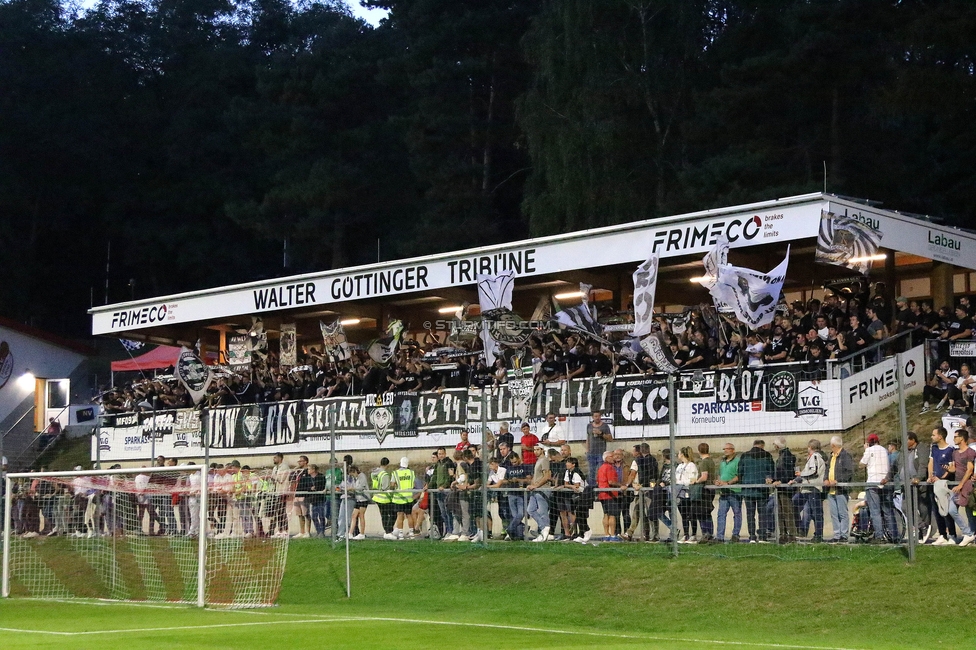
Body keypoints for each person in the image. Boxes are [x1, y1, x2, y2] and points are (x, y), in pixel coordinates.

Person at [738, 440, 775, 542]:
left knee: (750, 515)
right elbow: (771, 470)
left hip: (747, 489)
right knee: (762, 514)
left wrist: (743, 483)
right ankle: (762, 536)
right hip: (762, 490)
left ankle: (752, 537)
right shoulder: (767, 455)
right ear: (762, 446)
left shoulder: (744, 456)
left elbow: (740, 471)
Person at [927, 427, 958, 545]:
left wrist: (942, 477)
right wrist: (931, 476)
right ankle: (942, 534)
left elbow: (951, 468)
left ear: (940, 436)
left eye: (933, 435)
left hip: (944, 484)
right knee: (936, 509)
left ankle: (952, 534)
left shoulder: (950, 450)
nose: (931, 437)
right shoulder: (934, 448)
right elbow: (931, 462)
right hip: (934, 483)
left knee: (946, 509)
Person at [792, 439, 826, 543]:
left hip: (813, 489)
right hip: (807, 490)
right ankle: (803, 530)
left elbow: (813, 471)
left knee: (817, 513)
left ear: (810, 447)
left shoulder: (815, 457)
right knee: (806, 509)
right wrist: (795, 480)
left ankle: (818, 535)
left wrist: (801, 474)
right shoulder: (812, 457)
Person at [859, 433, 890, 544]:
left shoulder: (869, 450)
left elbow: (861, 464)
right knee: (886, 510)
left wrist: (866, 450)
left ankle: (879, 535)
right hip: (884, 481)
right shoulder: (885, 450)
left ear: (869, 443)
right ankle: (892, 534)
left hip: (872, 481)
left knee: (875, 511)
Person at [947, 429, 976, 546]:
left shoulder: (970, 452)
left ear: (962, 438)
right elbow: (955, 468)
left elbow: (969, 470)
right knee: (952, 510)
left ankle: (971, 535)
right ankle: (968, 533)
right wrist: (949, 470)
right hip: (956, 484)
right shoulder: (955, 453)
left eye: (955, 436)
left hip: (966, 485)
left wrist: (961, 484)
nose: (954, 439)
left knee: (970, 512)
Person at [823, 436, 854, 543]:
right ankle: (837, 534)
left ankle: (844, 535)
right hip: (831, 490)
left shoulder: (845, 456)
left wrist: (837, 480)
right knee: (834, 513)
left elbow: (849, 472)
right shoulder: (831, 457)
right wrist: (826, 479)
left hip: (841, 490)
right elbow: (828, 470)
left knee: (842, 513)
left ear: (833, 445)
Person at [768, 437, 798, 543]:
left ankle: (792, 534)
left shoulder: (787, 456)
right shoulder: (781, 456)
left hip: (785, 488)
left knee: (787, 511)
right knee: (780, 512)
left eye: (774, 444)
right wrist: (773, 479)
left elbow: (789, 473)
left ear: (778, 445)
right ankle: (783, 534)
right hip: (780, 488)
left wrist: (781, 481)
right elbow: (780, 471)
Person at [905, 431, 931, 541]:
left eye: (906, 439)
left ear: (912, 440)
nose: (904, 442)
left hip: (920, 483)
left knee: (923, 508)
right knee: (905, 506)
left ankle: (924, 531)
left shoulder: (921, 448)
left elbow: (923, 464)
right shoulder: (905, 451)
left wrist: (919, 477)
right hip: (908, 483)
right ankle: (922, 526)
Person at [713, 443, 741, 543]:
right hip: (723, 492)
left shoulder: (738, 461)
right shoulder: (722, 462)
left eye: (727, 449)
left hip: (734, 491)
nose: (725, 451)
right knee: (721, 514)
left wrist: (728, 483)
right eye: (724, 449)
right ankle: (720, 536)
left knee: (737, 513)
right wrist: (718, 481)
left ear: (732, 450)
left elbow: (739, 475)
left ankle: (735, 535)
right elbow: (720, 474)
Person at [525, 445, 553, 542]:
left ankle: (545, 531)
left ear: (542, 450)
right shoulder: (538, 461)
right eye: (534, 450)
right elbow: (536, 476)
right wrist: (532, 484)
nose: (535, 452)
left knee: (542, 511)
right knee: (530, 509)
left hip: (542, 489)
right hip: (536, 489)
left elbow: (546, 476)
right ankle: (544, 528)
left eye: (537, 449)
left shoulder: (544, 460)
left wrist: (536, 486)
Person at [674, 447, 699, 543]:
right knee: (683, 515)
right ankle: (685, 534)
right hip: (680, 493)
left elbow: (692, 480)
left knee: (691, 515)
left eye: (679, 453)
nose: (678, 455)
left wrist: (681, 482)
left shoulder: (691, 465)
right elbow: (676, 478)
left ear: (683, 454)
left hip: (688, 493)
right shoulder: (679, 466)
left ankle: (693, 535)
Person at [693, 443, 716, 543]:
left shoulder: (704, 462)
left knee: (702, 513)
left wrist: (696, 481)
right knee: (707, 513)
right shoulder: (711, 461)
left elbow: (704, 476)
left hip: (705, 490)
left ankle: (706, 534)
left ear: (699, 451)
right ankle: (709, 534)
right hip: (711, 490)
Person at [597, 451, 622, 541]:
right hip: (610, 494)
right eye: (612, 456)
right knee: (612, 515)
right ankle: (612, 535)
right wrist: (621, 485)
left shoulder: (601, 468)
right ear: (607, 458)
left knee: (606, 514)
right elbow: (611, 482)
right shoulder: (609, 467)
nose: (614, 458)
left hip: (602, 494)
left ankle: (606, 534)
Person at [392, 457, 417, 540]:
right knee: (409, 515)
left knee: (400, 515)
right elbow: (413, 484)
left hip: (399, 497)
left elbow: (392, 484)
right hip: (408, 497)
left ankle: (401, 534)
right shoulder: (411, 472)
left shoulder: (396, 473)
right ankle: (411, 533)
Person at [585, 411, 612, 480]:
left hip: (601, 453)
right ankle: (591, 488)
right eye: (596, 416)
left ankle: (601, 487)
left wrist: (601, 433)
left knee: (601, 471)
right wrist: (587, 450)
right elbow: (588, 438)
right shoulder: (589, 426)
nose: (597, 418)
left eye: (599, 416)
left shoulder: (605, 426)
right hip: (591, 453)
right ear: (593, 417)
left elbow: (610, 439)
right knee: (591, 472)